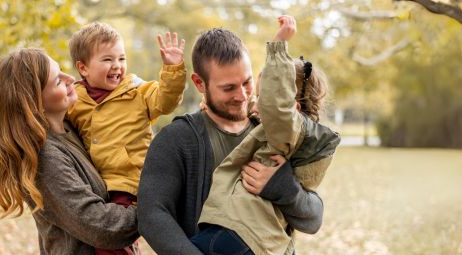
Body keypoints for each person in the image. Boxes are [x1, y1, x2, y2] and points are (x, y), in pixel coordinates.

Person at [138, 25, 325, 254]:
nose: (242, 95)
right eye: (228, 88)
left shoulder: (271, 134)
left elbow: (313, 219)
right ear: (199, 83)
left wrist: (283, 187)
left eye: (246, 82)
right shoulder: (177, 139)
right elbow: (152, 215)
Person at [193, 15, 341, 255]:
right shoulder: (288, 135)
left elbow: (313, 217)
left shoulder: (286, 129)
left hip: (241, 234)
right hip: (254, 238)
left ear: (291, 109)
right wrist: (210, 101)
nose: (251, 102)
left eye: (261, 97)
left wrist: (279, 46)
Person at [0, 48, 138, 254]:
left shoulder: (73, 128)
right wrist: (154, 207)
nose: (71, 79)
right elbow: (103, 227)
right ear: (35, 104)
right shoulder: (45, 159)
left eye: (62, 71)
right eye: (58, 81)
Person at [66, 22, 187, 254]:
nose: (117, 66)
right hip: (95, 183)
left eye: (121, 58)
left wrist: (172, 70)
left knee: (111, 240)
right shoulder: (76, 99)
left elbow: (166, 100)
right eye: (107, 59)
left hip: (128, 180)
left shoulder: (137, 91)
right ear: (83, 68)